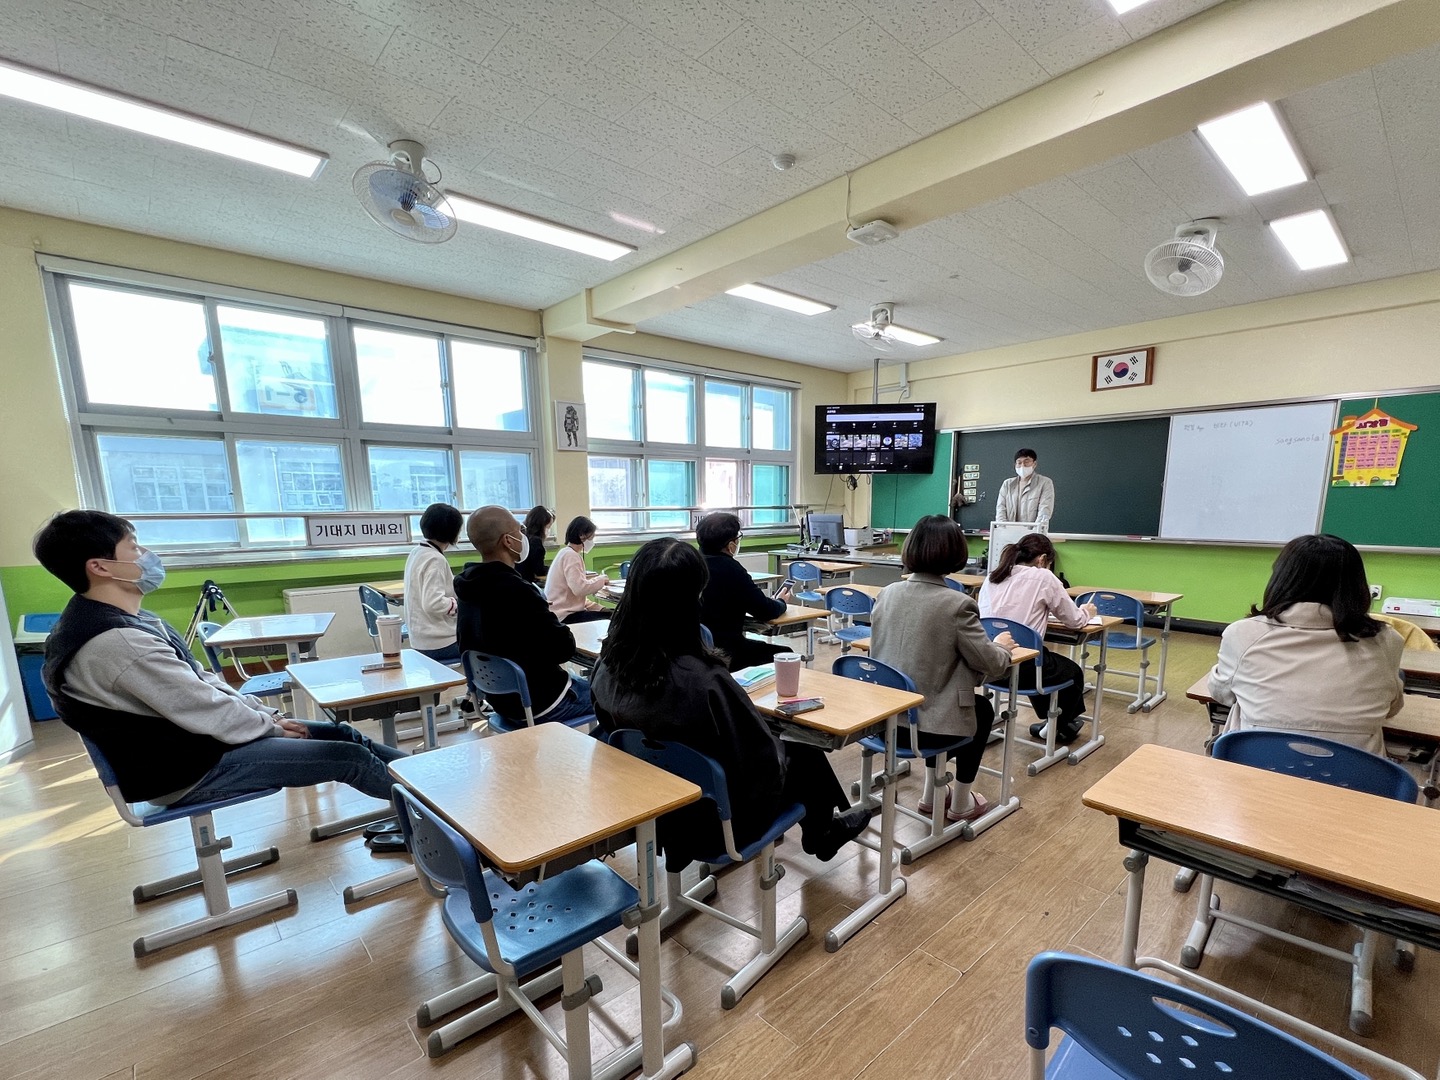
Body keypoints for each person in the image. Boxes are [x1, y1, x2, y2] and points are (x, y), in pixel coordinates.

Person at [34, 510, 404, 810]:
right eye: (134, 548)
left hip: (194, 747)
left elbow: (202, 680)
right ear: (100, 567)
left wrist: (270, 717)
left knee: (340, 733)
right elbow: (201, 705)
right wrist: (269, 727)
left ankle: (426, 777)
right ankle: (443, 817)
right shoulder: (117, 642)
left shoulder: (124, 620)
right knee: (348, 757)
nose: (146, 555)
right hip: (183, 771)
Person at [591, 538, 871, 866]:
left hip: (658, 808)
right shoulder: (704, 680)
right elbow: (760, 759)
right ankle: (822, 831)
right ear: (690, 601)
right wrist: (781, 742)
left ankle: (824, 829)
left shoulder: (608, 663)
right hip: (720, 822)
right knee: (799, 745)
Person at [870, 516, 1023, 822]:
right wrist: (1004, 647)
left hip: (882, 724)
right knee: (979, 710)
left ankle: (931, 794)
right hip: (926, 731)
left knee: (936, 696)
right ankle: (962, 803)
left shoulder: (887, 593)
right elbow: (991, 664)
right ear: (956, 553)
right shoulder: (957, 604)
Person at [1207, 533, 1404, 754]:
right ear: (1355, 585)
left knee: (1241, 710)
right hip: (1354, 782)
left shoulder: (1243, 634)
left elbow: (1221, 693)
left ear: (1281, 579)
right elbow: (1391, 709)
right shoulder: (1387, 641)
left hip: (1255, 770)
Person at [455, 505, 594, 727]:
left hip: (500, 701)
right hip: (542, 701)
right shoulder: (518, 590)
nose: (524, 535)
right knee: (615, 698)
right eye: (520, 530)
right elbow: (563, 649)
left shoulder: (466, 587)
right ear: (508, 541)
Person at [978, 532, 1096, 745]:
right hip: (1024, 668)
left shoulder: (993, 576)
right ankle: (1058, 725)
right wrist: (1088, 611)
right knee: (1072, 673)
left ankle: (1053, 722)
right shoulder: (1044, 577)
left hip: (990, 665)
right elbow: (1074, 621)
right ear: (1042, 559)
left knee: (1046, 662)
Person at [695, 511, 794, 671]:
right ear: (731, 544)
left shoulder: (689, 563)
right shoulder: (732, 570)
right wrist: (781, 602)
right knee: (785, 654)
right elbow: (766, 611)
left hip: (692, 650)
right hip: (725, 650)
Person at [402, 502, 463, 663]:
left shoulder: (417, 552)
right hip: (438, 643)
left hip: (419, 639)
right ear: (453, 533)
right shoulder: (435, 559)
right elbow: (433, 603)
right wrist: (457, 603)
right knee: (491, 644)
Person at [545, 516, 610, 624]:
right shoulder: (571, 556)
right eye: (591, 537)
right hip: (565, 616)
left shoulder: (565, 552)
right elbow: (580, 589)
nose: (592, 541)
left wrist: (600, 608)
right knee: (613, 619)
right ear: (581, 536)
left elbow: (577, 597)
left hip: (562, 612)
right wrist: (601, 580)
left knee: (611, 614)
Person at [993, 448, 1055, 530]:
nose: (1022, 466)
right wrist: (1002, 530)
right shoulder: (1007, 484)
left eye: (1026, 462)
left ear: (1034, 464)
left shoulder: (1045, 483)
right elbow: (1001, 509)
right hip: (1008, 533)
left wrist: (1034, 533)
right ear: (1015, 465)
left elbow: (1044, 511)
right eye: (1019, 462)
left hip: (1033, 535)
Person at [516, 505, 553, 585]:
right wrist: (555, 568)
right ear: (541, 526)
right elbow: (539, 571)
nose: (548, 531)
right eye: (548, 527)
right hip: (526, 583)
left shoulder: (521, 536)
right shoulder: (536, 542)